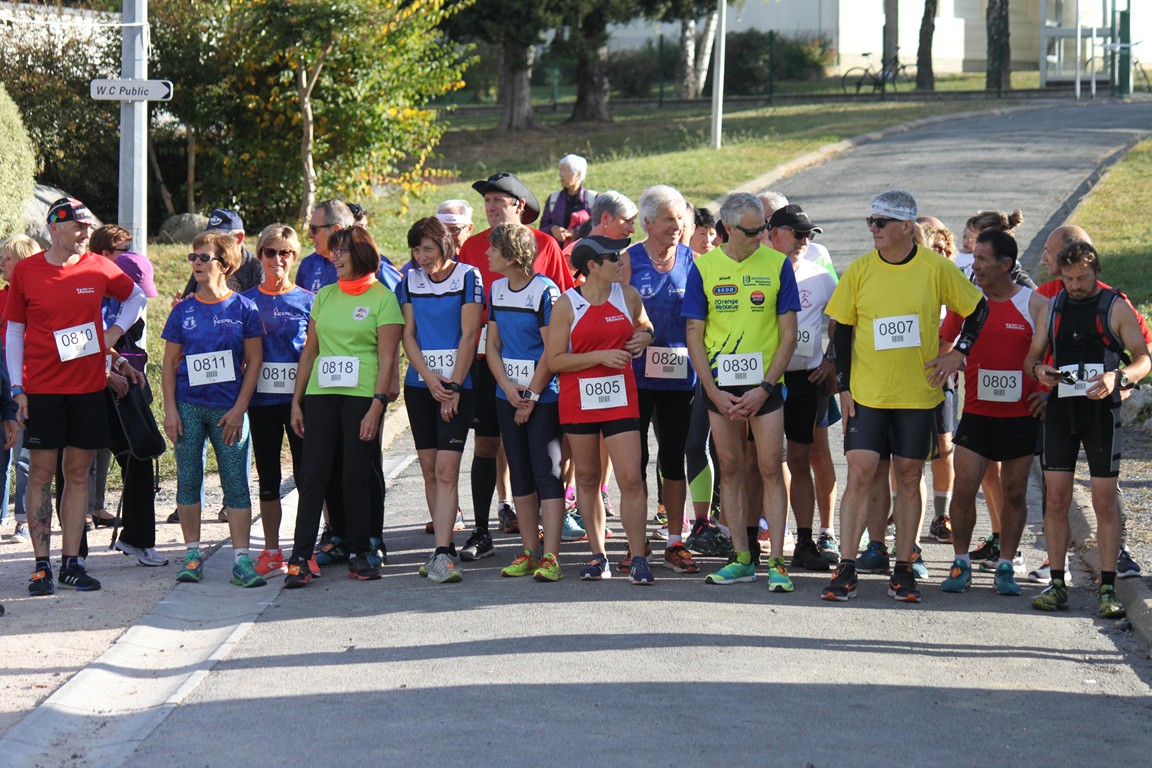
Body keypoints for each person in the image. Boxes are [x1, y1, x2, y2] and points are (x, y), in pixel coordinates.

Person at [821, 190, 986, 603]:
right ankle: (847, 566)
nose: (872, 229)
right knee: (859, 473)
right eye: (870, 222)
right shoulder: (860, 270)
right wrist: (843, 386)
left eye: (881, 223)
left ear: (906, 227)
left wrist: (958, 355)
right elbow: (840, 330)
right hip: (868, 395)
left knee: (910, 476)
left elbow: (978, 309)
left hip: (918, 396)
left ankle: (904, 566)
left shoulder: (935, 268)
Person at [7, 198, 146, 595]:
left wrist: (114, 334)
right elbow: (15, 330)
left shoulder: (99, 266)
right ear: (55, 228)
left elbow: (136, 297)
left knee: (77, 474)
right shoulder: (29, 272)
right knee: (40, 475)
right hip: (43, 389)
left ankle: (71, 563)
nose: (86, 234)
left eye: (88, 227)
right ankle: (40, 567)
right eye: (78, 228)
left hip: (86, 388)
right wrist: (18, 388)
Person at [1024, 240, 1150, 619]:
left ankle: (1108, 588)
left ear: (1096, 271)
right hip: (1063, 410)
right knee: (1057, 498)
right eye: (1068, 278)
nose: (1075, 285)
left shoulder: (1115, 307)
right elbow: (1032, 355)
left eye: (1082, 277)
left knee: (1103, 501)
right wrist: (1038, 372)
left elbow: (1144, 358)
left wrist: (1119, 377)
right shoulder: (1053, 307)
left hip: (1101, 413)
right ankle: (1058, 583)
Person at [682, 192, 800, 590]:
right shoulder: (705, 268)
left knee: (770, 466)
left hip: (765, 387)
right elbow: (694, 333)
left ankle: (779, 562)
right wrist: (712, 391)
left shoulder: (778, 265)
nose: (763, 236)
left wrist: (766, 387)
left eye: (765, 228)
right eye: (753, 231)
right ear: (729, 229)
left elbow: (789, 335)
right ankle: (741, 556)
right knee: (730, 468)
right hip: (720, 387)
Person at [456, 173, 574, 558]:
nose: (490, 207)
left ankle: (549, 546)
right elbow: (484, 331)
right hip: (496, 377)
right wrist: (507, 386)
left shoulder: (546, 255)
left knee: (545, 465)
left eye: (498, 201)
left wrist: (533, 391)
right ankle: (503, 539)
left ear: (519, 206)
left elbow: (559, 323)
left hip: (542, 381)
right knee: (502, 458)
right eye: (486, 201)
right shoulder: (482, 263)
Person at [284, 224, 403, 587]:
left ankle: (361, 551)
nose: (333, 256)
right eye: (332, 251)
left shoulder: (384, 298)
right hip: (321, 395)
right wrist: (296, 401)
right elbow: (310, 351)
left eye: (341, 250)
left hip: (362, 398)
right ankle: (300, 557)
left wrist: (377, 406)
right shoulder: (326, 296)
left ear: (361, 254)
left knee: (355, 474)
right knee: (313, 474)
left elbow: (387, 360)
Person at [938, 229, 1046, 596]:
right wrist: (944, 367)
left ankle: (1006, 565)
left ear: (1006, 264)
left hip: (1020, 417)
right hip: (977, 415)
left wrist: (1046, 394)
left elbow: (1051, 357)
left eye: (983, 260)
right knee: (964, 489)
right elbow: (945, 340)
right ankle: (961, 562)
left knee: (1014, 493)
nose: (975, 266)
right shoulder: (968, 301)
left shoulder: (1034, 304)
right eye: (974, 258)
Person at [546, 235, 655, 584]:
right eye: (613, 258)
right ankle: (598, 556)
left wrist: (645, 337)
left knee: (630, 478)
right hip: (579, 401)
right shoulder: (566, 304)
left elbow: (645, 324)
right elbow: (555, 359)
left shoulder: (629, 295)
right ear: (592, 266)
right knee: (588, 478)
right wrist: (600, 357)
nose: (621, 263)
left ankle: (638, 557)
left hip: (621, 398)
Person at [162, 232, 265, 588]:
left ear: (225, 264)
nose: (196, 264)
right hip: (189, 406)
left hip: (228, 410)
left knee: (236, 484)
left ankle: (241, 560)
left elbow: (254, 363)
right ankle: (192, 554)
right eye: (193, 258)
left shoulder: (244, 308)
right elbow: (169, 363)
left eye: (204, 258)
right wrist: (171, 410)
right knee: (189, 480)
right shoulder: (183, 309)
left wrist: (240, 409)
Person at [399, 217, 484, 583]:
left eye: (428, 249)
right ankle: (439, 546)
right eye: (416, 250)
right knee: (430, 469)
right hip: (420, 385)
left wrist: (453, 386)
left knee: (448, 470)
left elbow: (469, 335)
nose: (421, 257)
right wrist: (431, 379)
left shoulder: (469, 276)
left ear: (444, 246)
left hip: (458, 384)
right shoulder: (409, 280)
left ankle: (445, 553)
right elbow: (409, 336)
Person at [484, 223, 566, 581]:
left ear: (512, 255)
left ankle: (551, 557)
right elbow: (492, 347)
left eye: (493, 249)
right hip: (508, 395)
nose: (487, 254)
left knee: (547, 472)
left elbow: (552, 350)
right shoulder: (496, 289)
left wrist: (530, 396)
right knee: (519, 470)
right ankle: (530, 552)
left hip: (543, 396)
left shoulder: (545, 291)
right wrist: (508, 387)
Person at [624, 185, 699, 575]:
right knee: (633, 462)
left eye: (680, 217)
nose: (678, 224)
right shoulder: (627, 262)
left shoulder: (694, 261)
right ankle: (635, 543)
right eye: (669, 218)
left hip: (679, 377)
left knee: (674, 457)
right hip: (634, 377)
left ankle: (674, 540)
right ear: (647, 222)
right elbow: (607, 310)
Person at [88, 224, 168, 567]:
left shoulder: (120, 288)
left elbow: (106, 341)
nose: (130, 252)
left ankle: (137, 538)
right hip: (84, 389)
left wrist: (119, 363)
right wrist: (107, 372)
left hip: (119, 383)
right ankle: (69, 555)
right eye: (123, 249)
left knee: (140, 454)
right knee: (74, 468)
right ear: (106, 255)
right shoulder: (86, 288)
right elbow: (78, 340)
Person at [767, 204, 838, 573]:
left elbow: (844, 321)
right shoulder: (757, 273)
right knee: (757, 463)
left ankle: (806, 541)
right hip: (763, 380)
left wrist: (830, 360)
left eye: (809, 235)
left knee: (799, 459)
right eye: (798, 233)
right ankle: (749, 538)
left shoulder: (819, 276)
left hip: (803, 379)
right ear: (774, 233)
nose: (805, 241)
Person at [242, 225, 315, 577]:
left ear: (294, 257)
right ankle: (272, 551)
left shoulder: (307, 300)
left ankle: (306, 551)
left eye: (285, 253)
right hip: (260, 403)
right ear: (259, 256)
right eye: (270, 252)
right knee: (268, 477)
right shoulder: (246, 301)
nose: (277, 259)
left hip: (299, 401)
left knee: (307, 476)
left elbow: (315, 352)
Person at [0, 234, 36, 542]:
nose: (2, 263)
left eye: (8, 258)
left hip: (31, 384)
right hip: (5, 384)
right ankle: (9, 518)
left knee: (27, 456)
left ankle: (24, 520)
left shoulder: (36, 297)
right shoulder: (1, 297)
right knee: (10, 455)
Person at [176, 209, 262, 300]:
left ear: (239, 238)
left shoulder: (256, 267)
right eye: (210, 237)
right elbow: (187, 297)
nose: (213, 244)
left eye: (221, 240)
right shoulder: (203, 261)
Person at [540, 154, 597, 247]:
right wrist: (553, 229)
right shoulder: (553, 199)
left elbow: (599, 226)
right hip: (559, 253)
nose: (561, 174)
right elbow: (542, 228)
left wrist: (576, 232)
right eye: (560, 170)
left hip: (586, 252)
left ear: (578, 174)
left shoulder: (593, 199)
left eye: (566, 170)